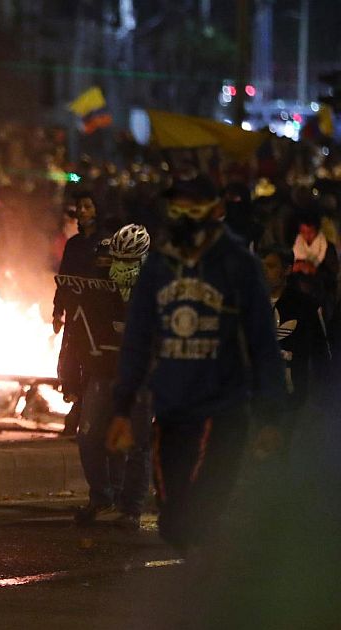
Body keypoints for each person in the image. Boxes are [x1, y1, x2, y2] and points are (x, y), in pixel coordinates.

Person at [108, 175, 285, 552]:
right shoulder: (158, 267)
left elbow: (263, 343)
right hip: (172, 409)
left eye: (195, 207)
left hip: (223, 409)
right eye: (179, 207)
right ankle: (206, 577)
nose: (185, 215)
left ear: (216, 210)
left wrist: (271, 413)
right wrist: (122, 407)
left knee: (202, 511)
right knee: (173, 521)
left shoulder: (239, 265)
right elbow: (137, 339)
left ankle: (211, 596)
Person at [69, 224, 153, 530]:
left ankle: (130, 508)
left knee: (138, 444)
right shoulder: (100, 287)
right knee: (89, 437)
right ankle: (102, 497)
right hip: (103, 373)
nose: (122, 268)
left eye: (130, 262)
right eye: (118, 260)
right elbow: (80, 329)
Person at [54, 192, 105, 436]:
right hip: (75, 312)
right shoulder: (73, 244)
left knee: (93, 361)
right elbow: (63, 279)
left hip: (97, 313)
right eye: (80, 207)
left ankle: (87, 409)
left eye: (88, 206)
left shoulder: (106, 243)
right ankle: (76, 403)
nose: (82, 211)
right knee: (70, 359)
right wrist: (58, 310)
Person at [260, 246, 330, 419]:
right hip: (257, 398)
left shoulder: (306, 306)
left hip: (294, 397)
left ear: (287, 270)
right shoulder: (251, 305)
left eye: (270, 266)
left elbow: (321, 353)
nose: (264, 272)